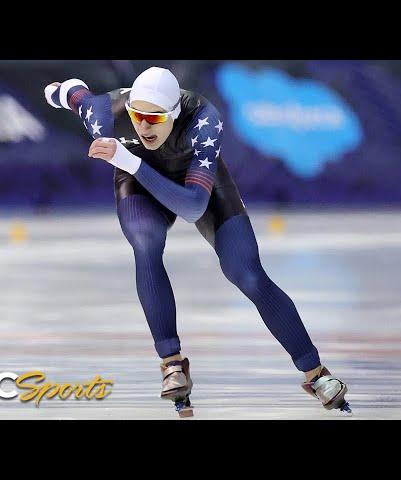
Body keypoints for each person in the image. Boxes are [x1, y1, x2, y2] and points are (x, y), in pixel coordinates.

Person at [44, 67, 351, 417]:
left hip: (193, 185)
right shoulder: (108, 115)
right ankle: (172, 364)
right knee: (146, 245)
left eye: (154, 118)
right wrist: (56, 92)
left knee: (246, 272)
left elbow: (192, 206)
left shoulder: (204, 119)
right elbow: (77, 95)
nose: (144, 126)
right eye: (137, 116)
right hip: (139, 184)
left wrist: (126, 159)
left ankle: (315, 374)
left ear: (174, 114)